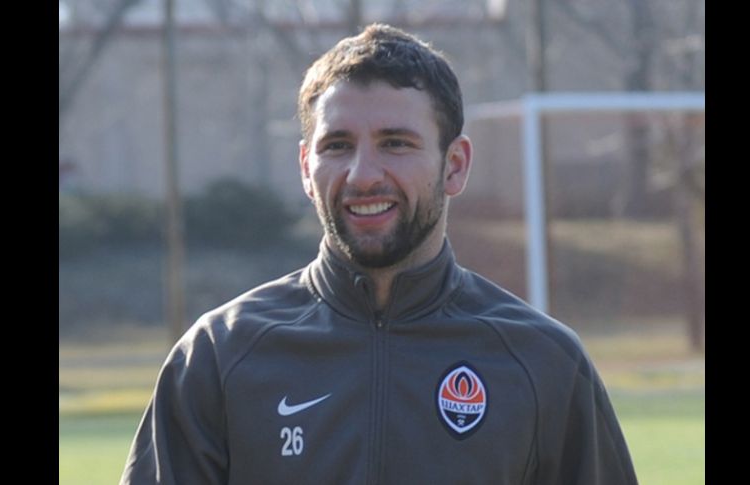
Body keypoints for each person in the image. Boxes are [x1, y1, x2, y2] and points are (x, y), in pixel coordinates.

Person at [120, 23, 638, 485]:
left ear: (454, 165)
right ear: (306, 167)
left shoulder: (542, 362)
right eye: (337, 145)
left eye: (395, 143)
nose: (363, 174)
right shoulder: (219, 356)